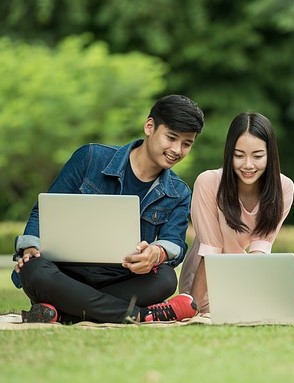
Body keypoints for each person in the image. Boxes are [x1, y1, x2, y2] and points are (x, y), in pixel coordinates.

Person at [12, 94, 205, 324]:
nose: (177, 149)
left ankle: (62, 311)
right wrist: (31, 247)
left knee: (165, 278)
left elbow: (173, 242)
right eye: (171, 138)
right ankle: (141, 315)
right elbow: (43, 212)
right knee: (33, 269)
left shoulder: (179, 192)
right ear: (149, 126)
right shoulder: (90, 157)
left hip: (121, 279)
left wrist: (157, 253)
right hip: (63, 273)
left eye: (187, 144)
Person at [179, 112, 294, 312]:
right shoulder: (208, 183)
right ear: (229, 153)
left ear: (270, 154)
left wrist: (252, 296)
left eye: (258, 156)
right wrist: (194, 309)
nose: (248, 165)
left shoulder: (283, 188)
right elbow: (210, 252)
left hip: (245, 273)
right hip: (203, 278)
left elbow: (260, 249)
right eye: (239, 155)